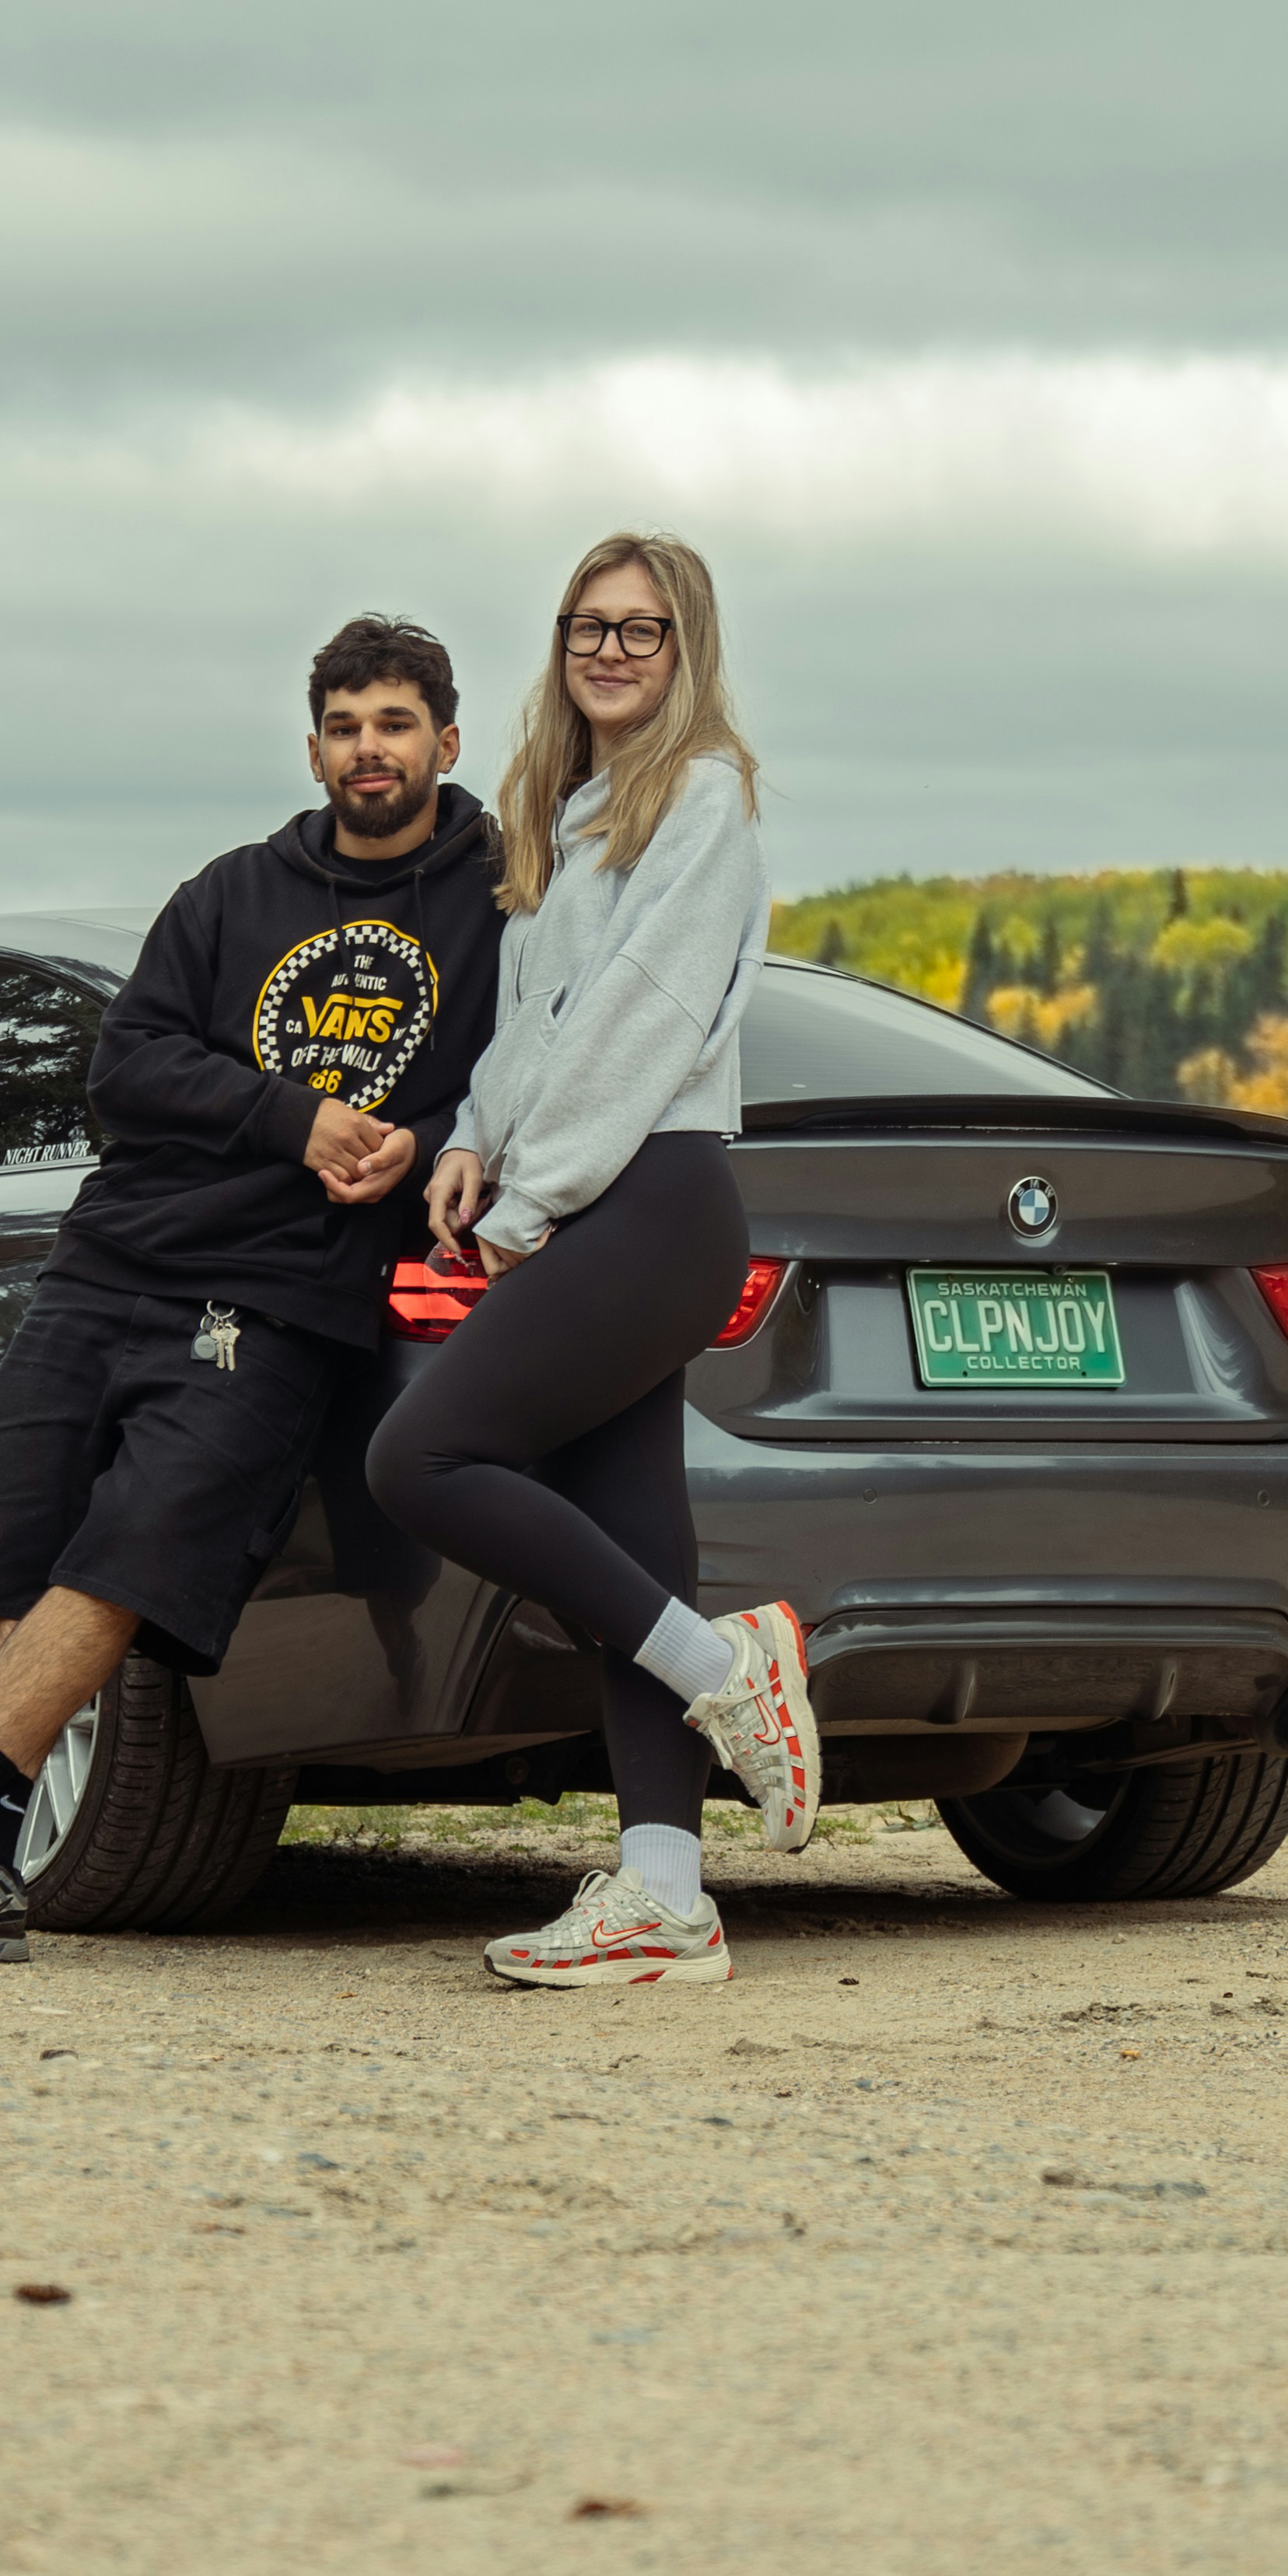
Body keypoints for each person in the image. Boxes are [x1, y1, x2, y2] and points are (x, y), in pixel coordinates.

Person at [0, 613, 506, 1965]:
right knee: (14, 1539)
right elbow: (124, 1066)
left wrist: (425, 1140)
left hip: (281, 1295)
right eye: (348, 725)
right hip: (112, 1258)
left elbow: (523, 1069)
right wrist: (293, 1118)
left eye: (397, 723)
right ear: (313, 746)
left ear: (447, 739)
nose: (371, 750)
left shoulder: (494, 906)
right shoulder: (233, 893)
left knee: (130, 1551)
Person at [363, 533, 816, 1991]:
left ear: (688, 648)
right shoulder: (567, 809)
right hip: (598, 1198)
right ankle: (666, 1895)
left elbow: (637, 1024)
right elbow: (532, 1023)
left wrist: (523, 1204)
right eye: (585, 626)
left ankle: (722, 1671)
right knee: (631, 1535)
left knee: (418, 1458)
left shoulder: (698, 795)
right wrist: (470, 1141)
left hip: (654, 1198)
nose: (610, 649)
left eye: (643, 628)